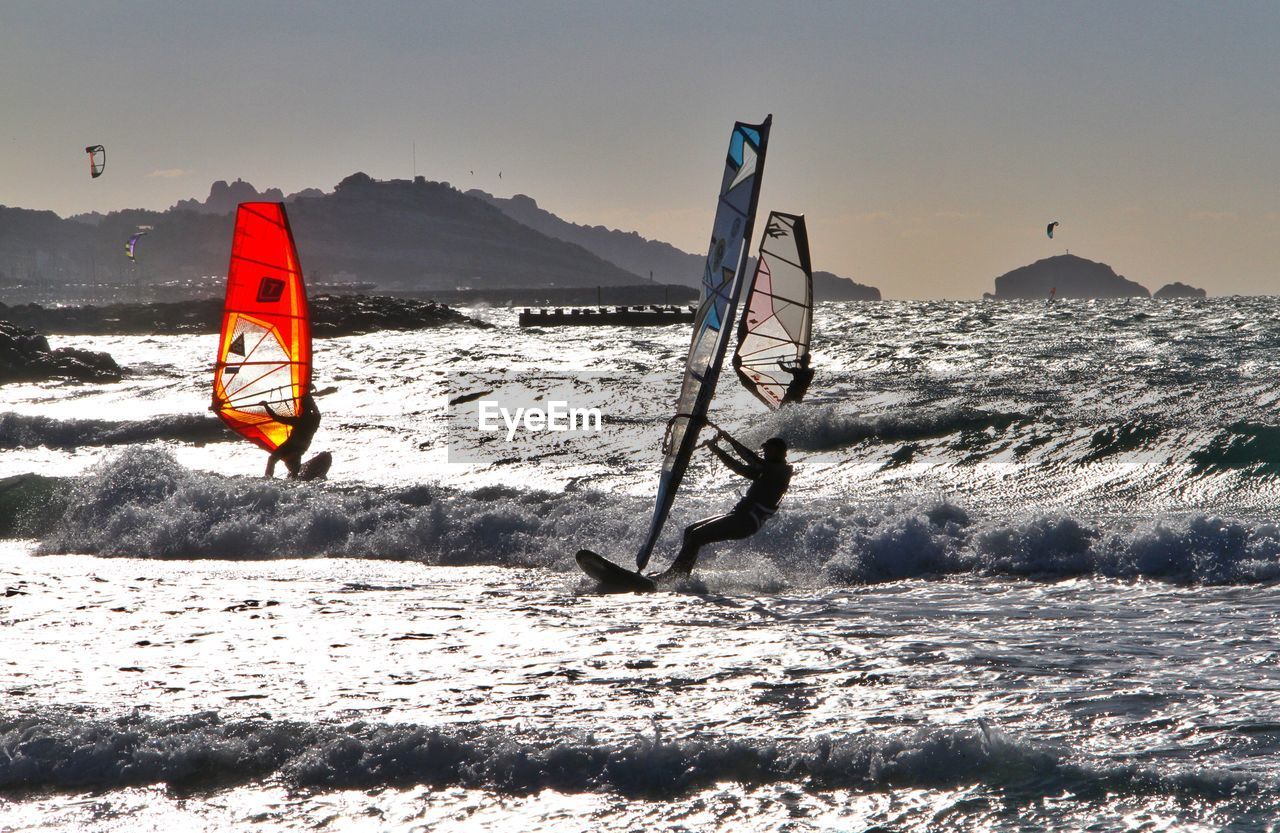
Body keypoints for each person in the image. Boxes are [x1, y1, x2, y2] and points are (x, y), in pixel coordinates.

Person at [660, 428, 792, 577]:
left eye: (768, 450)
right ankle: (680, 574)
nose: (765, 453)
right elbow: (746, 463)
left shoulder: (778, 471)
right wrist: (723, 445)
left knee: (697, 536)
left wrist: (724, 445)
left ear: (778, 452)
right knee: (690, 531)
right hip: (739, 516)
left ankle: (675, 576)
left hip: (746, 521)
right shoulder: (769, 469)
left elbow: (747, 462)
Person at [259, 393, 321, 478]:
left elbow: (275, 417)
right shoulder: (316, 418)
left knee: (272, 459)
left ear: (302, 408)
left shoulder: (298, 420)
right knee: (293, 467)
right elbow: (314, 407)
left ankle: (268, 478)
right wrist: (308, 393)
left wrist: (266, 406)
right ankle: (295, 476)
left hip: (291, 445)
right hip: (302, 446)